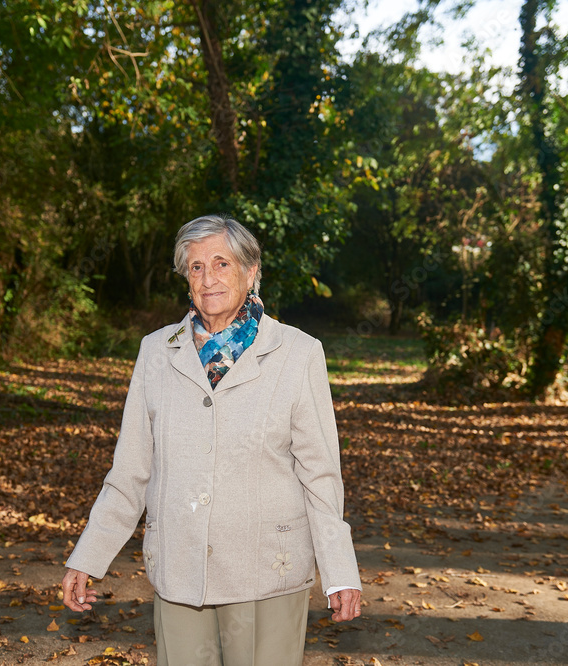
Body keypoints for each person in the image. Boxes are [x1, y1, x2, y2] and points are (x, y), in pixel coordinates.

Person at [61, 214, 362, 665]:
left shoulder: (298, 353)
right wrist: (88, 555)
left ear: (250, 271)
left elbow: (319, 473)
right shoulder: (156, 351)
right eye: (196, 267)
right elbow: (131, 470)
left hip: (267, 572)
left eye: (222, 263)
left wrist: (339, 570)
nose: (208, 279)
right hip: (179, 568)